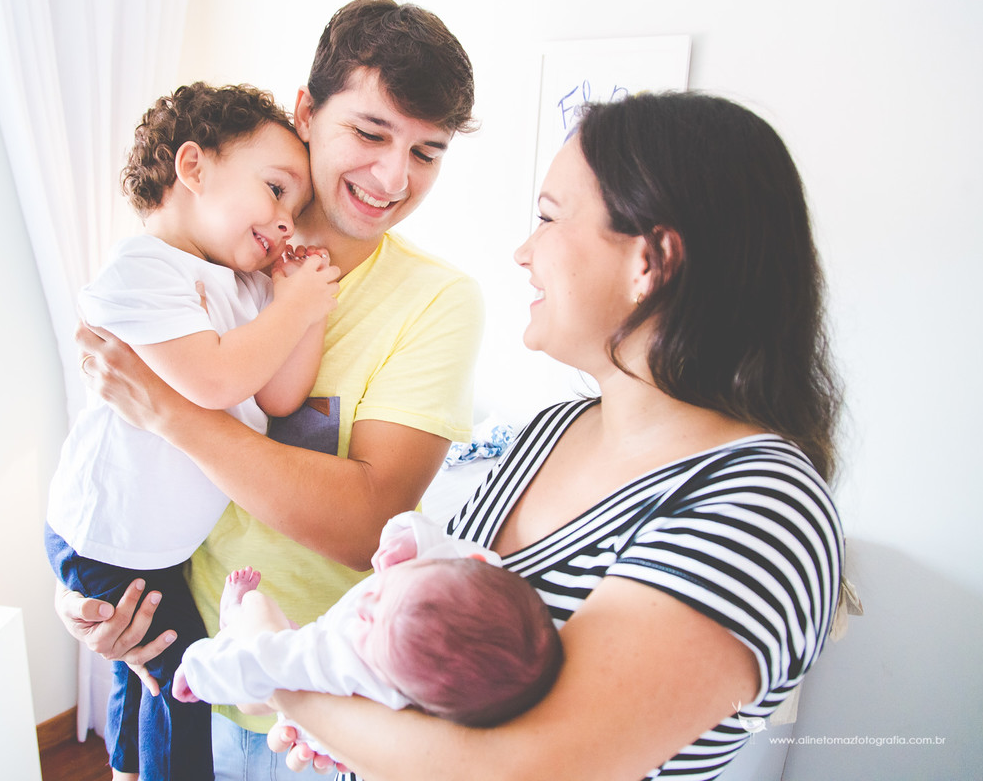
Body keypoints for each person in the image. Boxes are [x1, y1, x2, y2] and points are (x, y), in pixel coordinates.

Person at [251, 91, 847, 780]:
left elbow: (524, 768)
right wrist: (359, 731)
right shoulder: (549, 434)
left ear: (649, 261)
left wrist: (276, 668)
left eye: (549, 218)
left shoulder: (761, 507)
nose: (524, 251)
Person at [61, 0, 483, 780]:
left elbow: (367, 523)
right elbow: (108, 447)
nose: (394, 177)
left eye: (427, 153)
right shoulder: (206, 269)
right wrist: (85, 596)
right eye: (369, 131)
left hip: (322, 709)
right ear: (306, 113)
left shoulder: (438, 302)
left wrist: (170, 413)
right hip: (188, 653)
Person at [45, 82, 339, 781]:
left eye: (296, 210)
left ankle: (123, 768)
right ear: (193, 167)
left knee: (143, 675)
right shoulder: (142, 269)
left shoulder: (245, 284)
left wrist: (307, 308)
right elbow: (212, 382)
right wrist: (289, 304)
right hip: (109, 532)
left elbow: (279, 393)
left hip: (158, 541)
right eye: (275, 189)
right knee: (180, 683)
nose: (286, 223)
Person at [171, 512, 562, 751]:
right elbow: (437, 541)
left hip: (315, 679)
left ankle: (232, 616)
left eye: (372, 628)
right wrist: (409, 540)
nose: (366, 604)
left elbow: (270, 662)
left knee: (272, 635)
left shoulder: (351, 661)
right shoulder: (464, 574)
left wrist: (200, 671)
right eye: (388, 590)